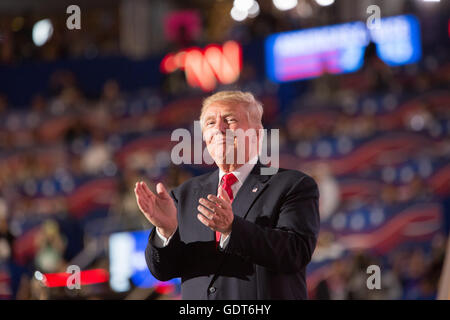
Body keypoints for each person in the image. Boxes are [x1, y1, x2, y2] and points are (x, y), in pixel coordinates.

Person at [135, 91, 320, 299]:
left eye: (229, 120)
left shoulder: (293, 185)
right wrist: (166, 231)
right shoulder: (183, 195)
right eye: (210, 123)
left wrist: (232, 229)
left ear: (257, 134)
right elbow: (163, 271)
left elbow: (295, 253)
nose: (219, 129)